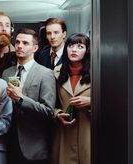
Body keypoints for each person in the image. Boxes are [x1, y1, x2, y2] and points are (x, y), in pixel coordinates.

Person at [2, 28, 56, 164]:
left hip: (33, 148)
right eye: (18, 42)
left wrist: (21, 99)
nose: (19, 46)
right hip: (7, 143)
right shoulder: (6, 73)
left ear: (35, 48)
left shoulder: (45, 74)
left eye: (25, 43)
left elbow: (48, 112)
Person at [51, 33, 91, 164]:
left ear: (87, 50)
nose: (74, 50)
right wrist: (58, 114)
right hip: (64, 132)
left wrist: (90, 102)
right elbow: (50, 103)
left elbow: (112, 102)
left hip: (88, 131)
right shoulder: (56, 73)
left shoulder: (97, 72)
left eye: (80, 46)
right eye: (71, 46)